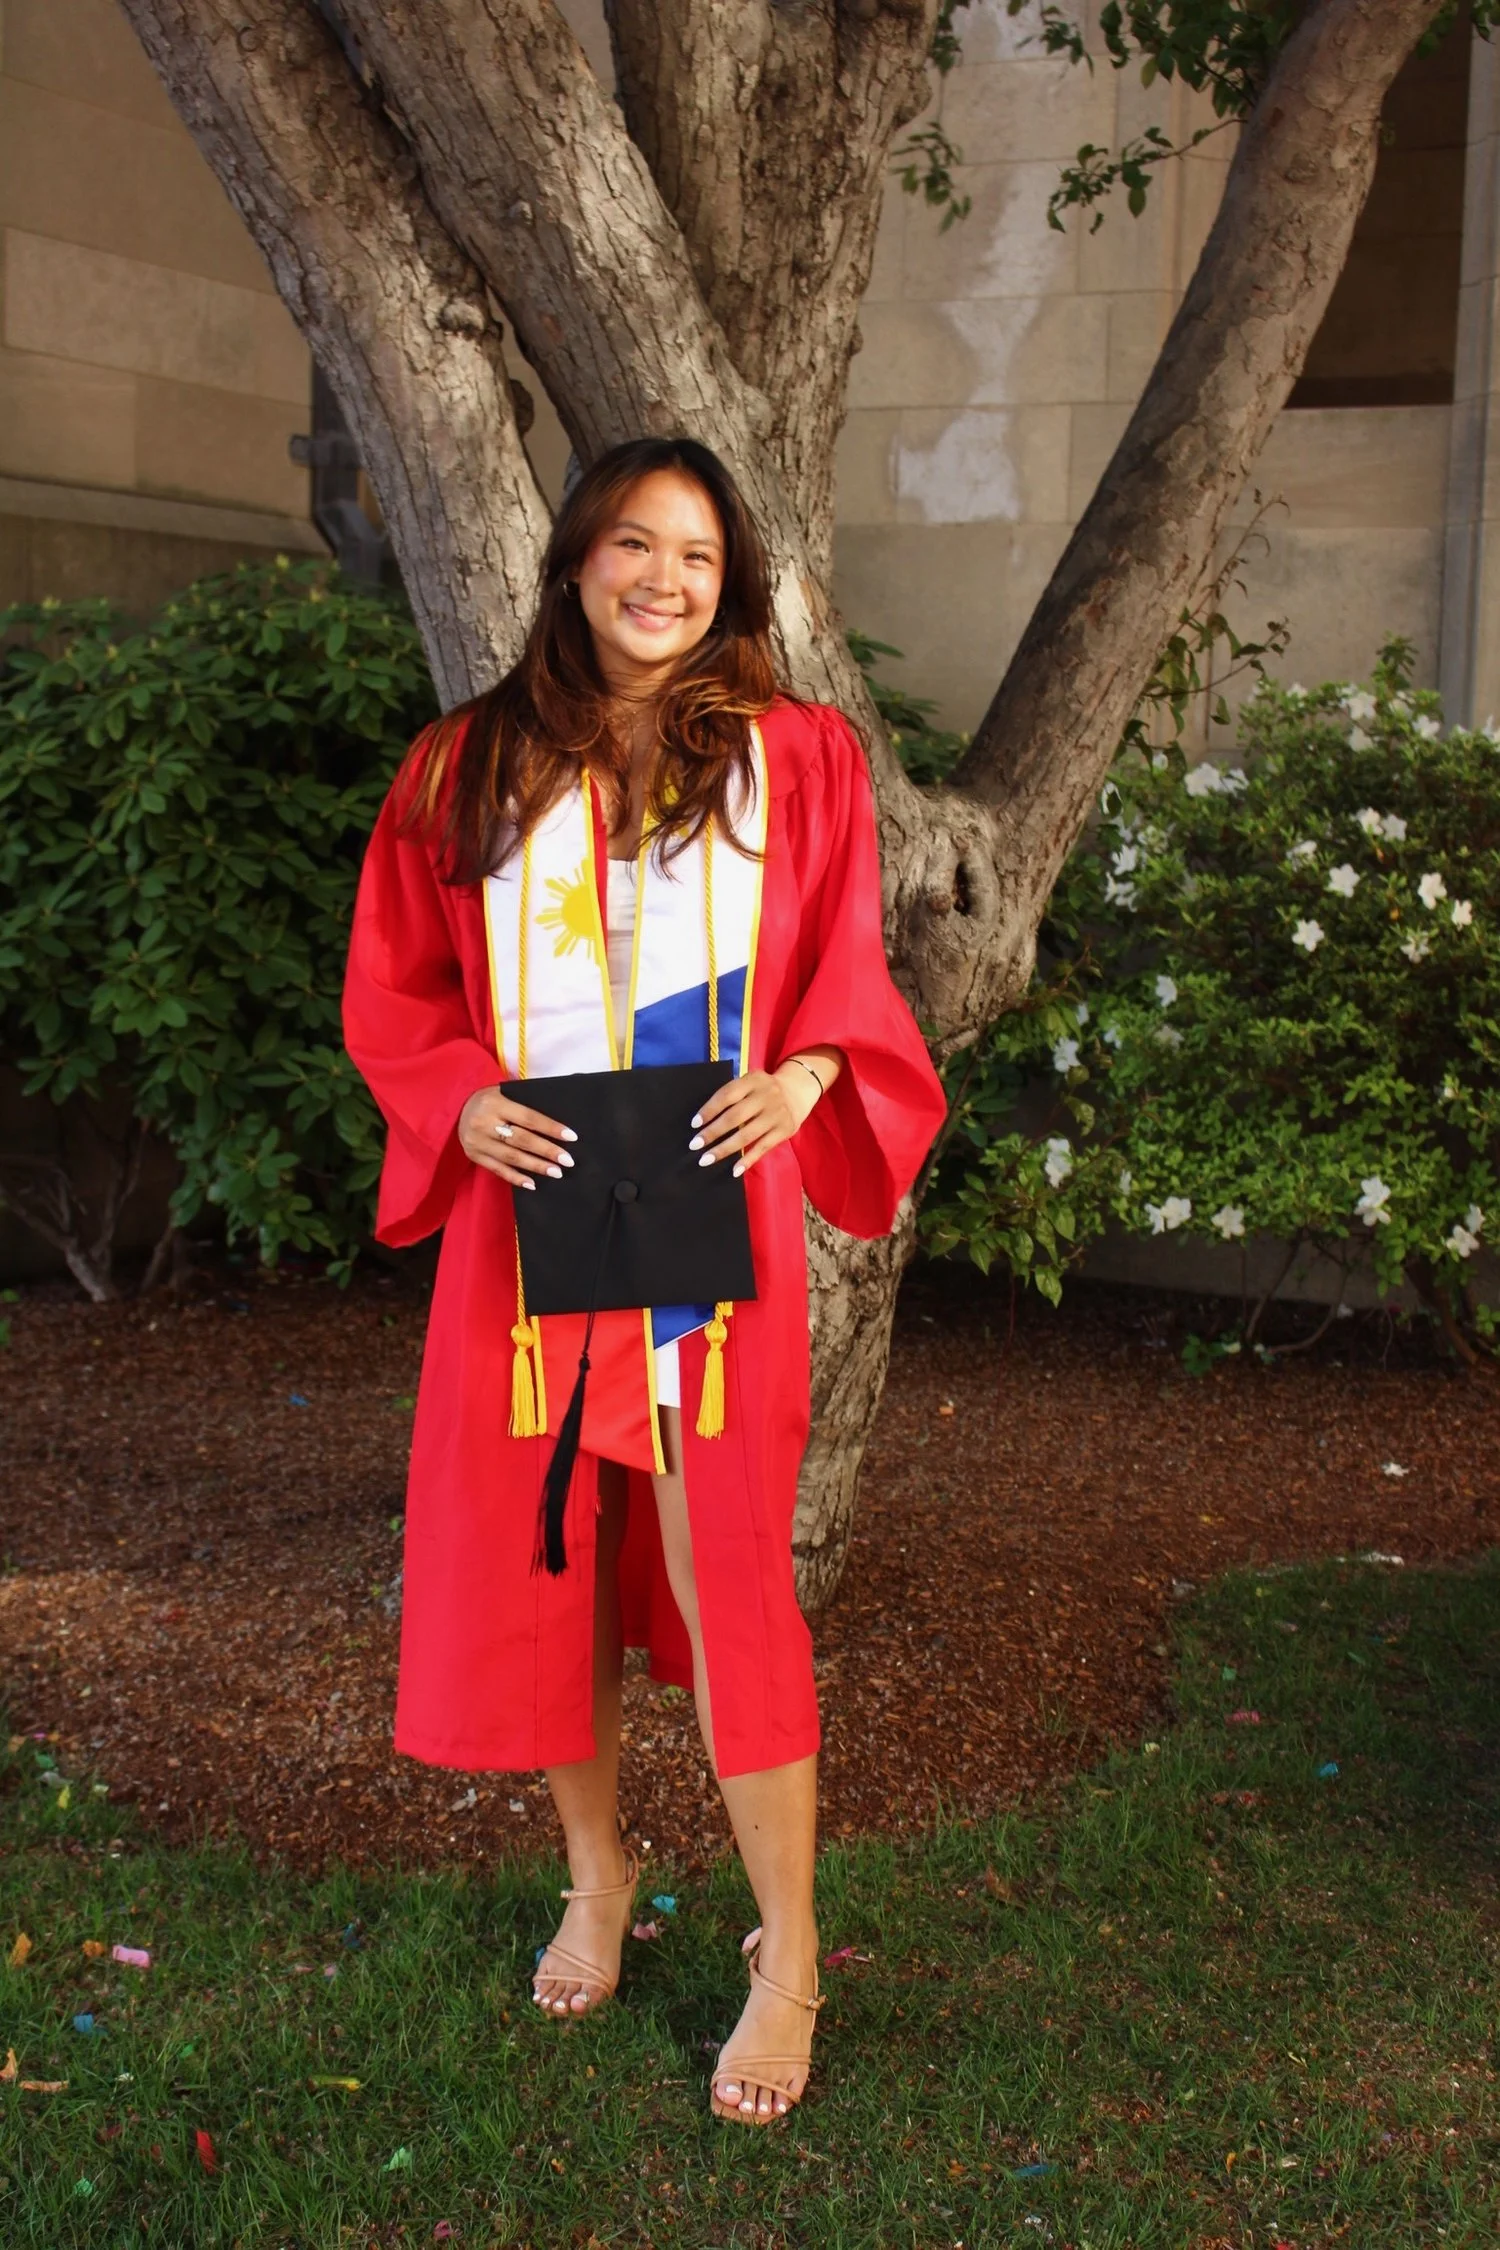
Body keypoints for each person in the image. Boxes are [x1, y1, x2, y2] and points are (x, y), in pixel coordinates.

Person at [343, 435, 945, 2124]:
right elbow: (395, 984)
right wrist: (456, 1093)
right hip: (528, 1221)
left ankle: (791, 1948)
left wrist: (815, 1077)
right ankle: (596, 1874)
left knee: (728, 1567)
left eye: (692, 553)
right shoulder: (467, 766)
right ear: (576, 562)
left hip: (704, 1225)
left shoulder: (797, 760)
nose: (661, 578)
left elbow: (847, 969)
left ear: (729, 578)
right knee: (550, 1560)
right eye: (630, 544)